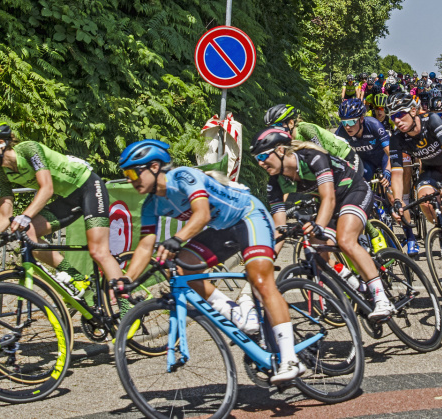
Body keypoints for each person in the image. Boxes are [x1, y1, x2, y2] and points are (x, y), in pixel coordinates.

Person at [117, 139, 304, 383]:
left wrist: (177, 239)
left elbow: (202, 214)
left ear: (154, 167)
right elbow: (145, 245)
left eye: (133, 173)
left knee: (261, 281)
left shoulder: (183, 177)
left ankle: (290, 359)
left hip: (248, 216)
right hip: (221, 229)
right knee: (181, 269)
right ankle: (235, 313)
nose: (130, 180)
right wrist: (127, 279)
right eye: (126, 175)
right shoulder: (151, 205)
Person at [0, 122, 132, 313]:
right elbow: (5, 215)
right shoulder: (2, 173)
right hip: (67, 199)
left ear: (0, 144)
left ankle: (127, 311)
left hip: (88, 187)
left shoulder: (29, 149)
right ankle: (78, 280)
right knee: (29, 235)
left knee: (99, 251)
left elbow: (47, 188)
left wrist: (25, 216)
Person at [251, 128, 394, 318]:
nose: (260, 163)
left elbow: (328, 198)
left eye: (262, 156)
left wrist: (319, 225)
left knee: (345, 240)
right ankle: (357, 286)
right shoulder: (274, 183)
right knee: (317, 249)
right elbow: (279, 228)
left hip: (353, 190)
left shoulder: (312, 157)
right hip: (330, 202)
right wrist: (268, 258)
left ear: (280, 150)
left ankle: (382, 299)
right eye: (257, 159)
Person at [387, 93, 442, 235]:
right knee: (426, 203)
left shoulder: (431, 120)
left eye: (400, 114)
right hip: (431, 167)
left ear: (413, 111)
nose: (397, 120)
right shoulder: (396, 138)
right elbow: (397, 172)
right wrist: (397, 200)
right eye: (393, 117)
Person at [264, 104, 361, 176]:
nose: (275, 130)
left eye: (278, 125)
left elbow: (321, 153)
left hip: (346, 156)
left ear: (291, 123)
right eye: (272, 128)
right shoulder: (286, 141)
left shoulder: (305, 129)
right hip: (334, 164)